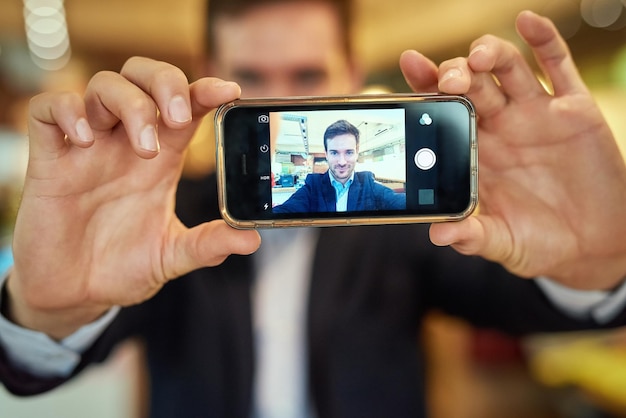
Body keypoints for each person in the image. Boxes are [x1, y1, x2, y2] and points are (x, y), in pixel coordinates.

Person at [1, 0, 626, 417]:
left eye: (306, 75)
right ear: (212, 73)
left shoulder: (399, 222)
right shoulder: (164, 218)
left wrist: (596, 262)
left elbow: (516, 302)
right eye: (250, 73)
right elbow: (34, 372)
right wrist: (44, 310)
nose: (277, 99)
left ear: (350, 74)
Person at [273, 119, 406, 213]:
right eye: (334, 153)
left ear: (357, 152)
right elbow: (287, 209)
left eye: (348, 152)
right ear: (326, 154)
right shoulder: (313, 186)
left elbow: (397, 201)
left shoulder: (368, 184)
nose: (342, 162)